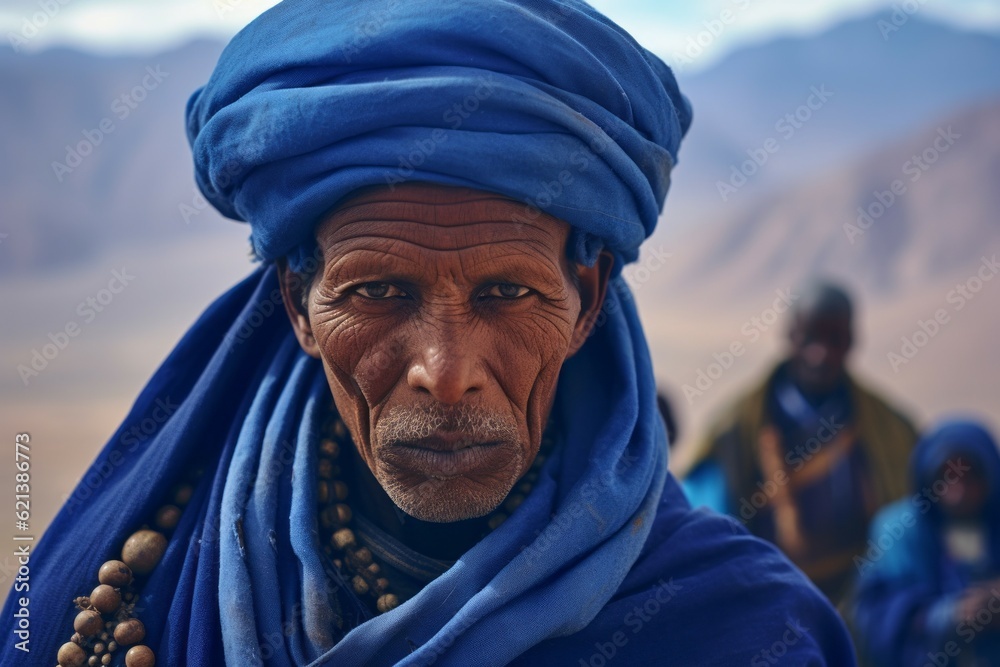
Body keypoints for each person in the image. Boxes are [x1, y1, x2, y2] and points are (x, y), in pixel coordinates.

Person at [2, 2, 856, 665]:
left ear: (586, 299)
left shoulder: (737, 628)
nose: (445, 373)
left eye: (507, 292)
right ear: (299, 304)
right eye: (377, 291)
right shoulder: (140, 582)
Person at [679, 281, 918, 607]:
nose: (821, 354)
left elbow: (914, 521)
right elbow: (706, 525)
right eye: (811, 337)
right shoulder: (735, 430)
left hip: (862, 603)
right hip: (762, 598)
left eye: (834, 339)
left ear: (851, 341)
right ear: (790, 336)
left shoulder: (890, 429)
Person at [853, 420, 1000, 666]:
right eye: (947, 478)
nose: (959, 492)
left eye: (971, 477)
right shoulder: (900, 532)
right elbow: (875, 620)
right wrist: (952, 616)